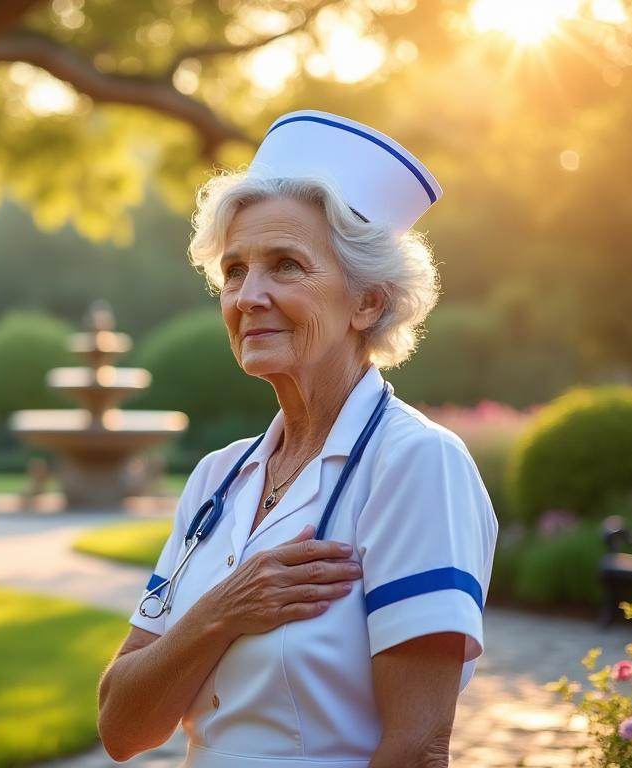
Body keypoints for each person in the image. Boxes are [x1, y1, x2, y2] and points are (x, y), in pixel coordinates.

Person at [96, 110, 498, 768]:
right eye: (234, 270)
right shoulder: (216, 478)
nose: (249, 295)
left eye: (285, 266)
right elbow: (122, 729)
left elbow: (418, 748)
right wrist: (221, 610)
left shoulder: (415, 465)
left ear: (368, 301)